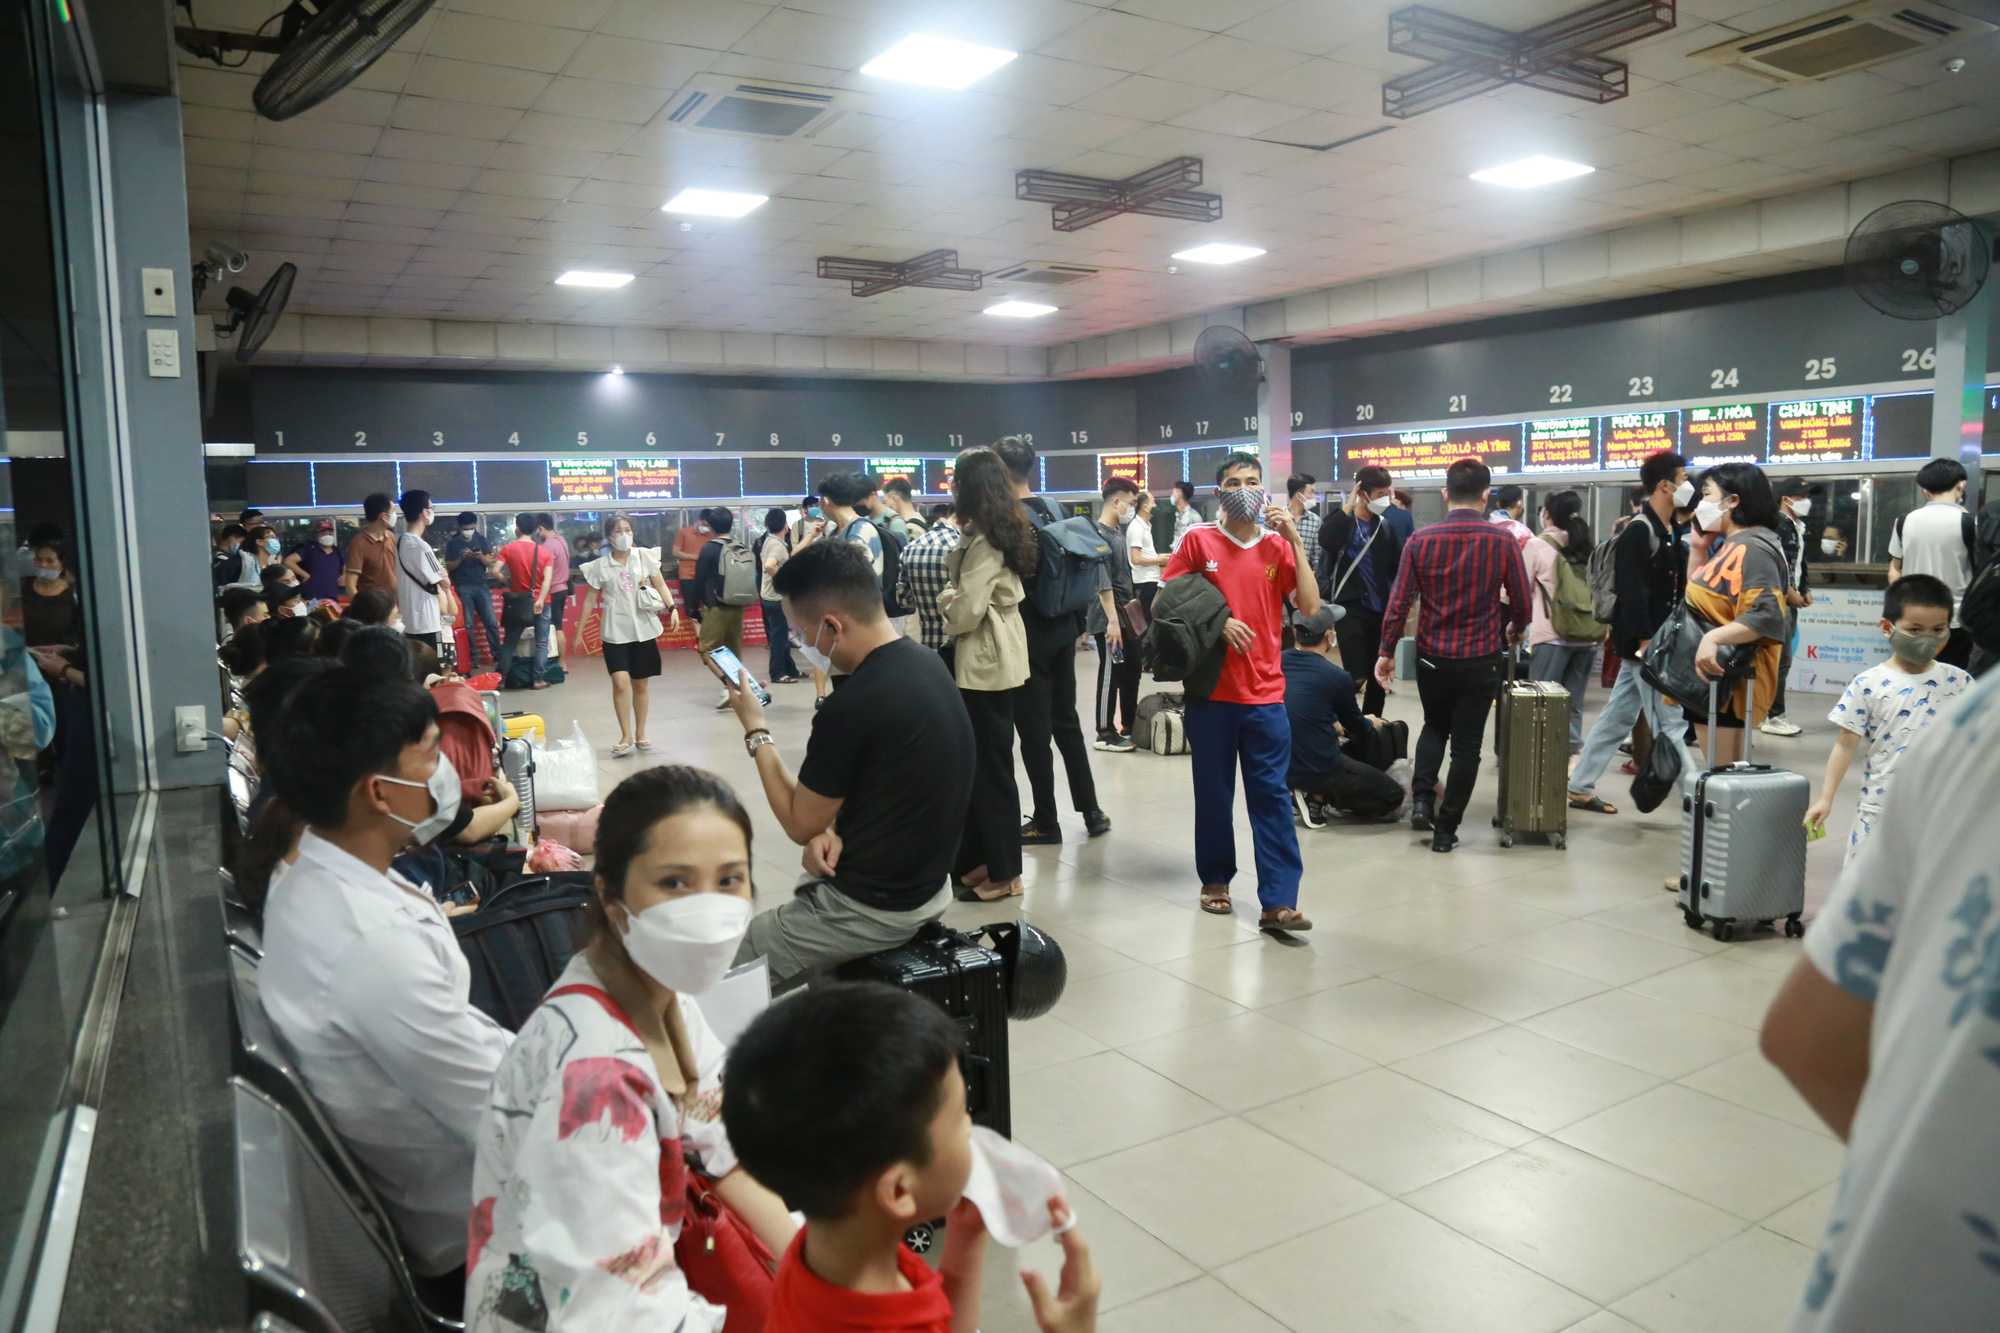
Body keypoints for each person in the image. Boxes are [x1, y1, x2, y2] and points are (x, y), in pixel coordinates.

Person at [466, 766, 796, 1333]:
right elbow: (624, 1314)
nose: (708, 909)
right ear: (610, 895)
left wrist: (825, 1274)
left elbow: (720, 1138)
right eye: (674, 883)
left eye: (730, 880)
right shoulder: (596, 1090)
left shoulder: (649, 985)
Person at [1760, 672, 2000, 1332]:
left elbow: (1804, 1036)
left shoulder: (1975, 713)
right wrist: (1829, 797)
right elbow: (1806, 1035)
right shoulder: (1946, 711)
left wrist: (1923, 1179)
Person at [257, 667, 511, 1280]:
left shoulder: (313, 870)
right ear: (378, 792)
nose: (445, 771)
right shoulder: (370, 945)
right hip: (483, 1234)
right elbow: (516, 1108)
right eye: (430, 754)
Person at [725, 983, 1099, 1333]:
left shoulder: (823, 1257)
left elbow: (938, 1320)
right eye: (960, 1119)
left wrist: (966, 1239)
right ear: (900, 1190)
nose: (972, 1127)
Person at [719, 540, 973, 992]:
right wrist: (831, 830)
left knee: (716, 976)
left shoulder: (853, 705)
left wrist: (756, 730)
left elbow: (799, 823)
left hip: (872, 908)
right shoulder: (927, 664)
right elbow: (890, 782)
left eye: (801, 634)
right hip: (930, 888)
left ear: (832, 626)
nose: (801, 645)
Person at [1164, 451, 1321, 930]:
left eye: (1253, 481)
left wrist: (1293, 537)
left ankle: (1278, 901)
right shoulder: (1198, 539)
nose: (1244, 489)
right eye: (1234, 482)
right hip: (1212, 694)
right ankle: (1215, 879)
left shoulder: (1277, 546)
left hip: (1266, 695)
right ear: (1220, 492)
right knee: (1213, 793)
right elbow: (1167, 603)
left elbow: (1310, 607)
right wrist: (1219, 622)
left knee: (1271, 796)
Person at [1374, 457, 1530, 853]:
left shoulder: (1421, 540)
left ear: (1446, 494)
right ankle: (1446, 830)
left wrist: (1386, 651)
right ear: (1485, 495)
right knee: (1466, 746)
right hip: (1481, 657)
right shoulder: (1503, 540)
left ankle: (1423, 800)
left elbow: (1399, 602)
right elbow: (1522, 599)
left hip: (1432, 657)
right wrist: (1517, 627)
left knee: (1434, 726)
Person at [1804, 574, 1971, 863]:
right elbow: (1845, 744)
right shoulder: (1867, 684)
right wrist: (1826, 797)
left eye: (1938, 629)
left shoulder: (1959, 682)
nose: (1927, 638)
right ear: (1887, 627)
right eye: (1915, 629)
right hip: (1879, 811)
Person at [994, 437, 1111, 845]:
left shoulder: (1007, 519)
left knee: (1033, 732)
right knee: (1067, 722)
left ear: (999, 470)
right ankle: (1092, 811)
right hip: (1063, 626)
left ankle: (1046, 819)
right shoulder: (1054, 506)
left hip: (1029, 634)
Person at [1569, 450, 1690, 815]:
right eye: (1684, 478)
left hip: (1658, 641)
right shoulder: (1640, 530)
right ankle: (1702, 802)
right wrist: (1643, 642)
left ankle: (1579, 785)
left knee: (1618, 716)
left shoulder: (1670, 529)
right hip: (1645, 645)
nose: (1689, 485)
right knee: (1669, 722)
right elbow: (1632, 590)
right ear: (1665, 485)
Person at [936, 447, 1033, 903]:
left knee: (991, 770)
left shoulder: (985, 540)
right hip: (995, 660)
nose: (952, 486)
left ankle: (1006, 872)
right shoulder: (997, 530)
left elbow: (966, 612)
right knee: (982, 766)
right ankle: (986, 859)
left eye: (957, 479)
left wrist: (945, 603)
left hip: (985, 664)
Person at [1683, 462, 1792, 766]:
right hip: (1713, 678)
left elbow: (1766, 615)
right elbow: (1696, 600)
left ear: (1732, 501)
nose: (1701, 503)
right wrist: (1698, 549)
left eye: (1707, 494)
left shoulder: (1754, 546)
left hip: (1730, 682)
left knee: (1725, 778)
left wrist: (1715, 637)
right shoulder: (1730, 544)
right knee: (1721, 775)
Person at [1283, 606, 1403, 827]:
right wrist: (1371, 722)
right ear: (1329, 636)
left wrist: (1333, 721)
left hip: (1278, 764)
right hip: (1319, 767)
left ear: (1295, 632)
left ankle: (1300, 792)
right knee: (1393, 795)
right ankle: (1316, 796)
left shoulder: (1275, 663)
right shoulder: (1337, 676)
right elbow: (1358, 726)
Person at [583, 513, 681, 757]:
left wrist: (673, 608)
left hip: (643, 629)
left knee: (641, 684)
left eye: (628, 530)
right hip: (614, 631)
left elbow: (660, 584)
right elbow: (590, 598)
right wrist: (579, 631)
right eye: (618, 531)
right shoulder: (600, 566)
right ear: (609, 537)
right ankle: (625, 734)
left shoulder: (644, 557)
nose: (624, 535)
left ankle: (640, 733)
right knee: (620, 682)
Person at [1318, 465, 1403, 717]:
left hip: (1380, 611)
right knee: (1355, 675)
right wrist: (1348, 506)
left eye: (1387, 492)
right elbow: (1326, 539)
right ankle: (1344, 720)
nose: (1384, 498)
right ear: (1363, 493)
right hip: (1350, 608)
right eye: (1379, 493)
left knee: (1377, 675)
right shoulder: (1343, 521)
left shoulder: (1385, 527)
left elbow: (1395, 567)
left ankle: (1372, 726)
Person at [1520, 489, 1601, 752]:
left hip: (1551, 636)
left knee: (1540, 699)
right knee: (1573, 700)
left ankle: (1537, 751)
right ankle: (1570, 751)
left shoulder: (1537, 544)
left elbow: (1518, 591)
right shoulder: (1587, 543)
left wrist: (1515, 626)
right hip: (1587, 635)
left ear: (1548, 515)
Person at [1888, 457, 1976, 669]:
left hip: (1911, 619)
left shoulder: (1904, 521)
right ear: (1961, 484)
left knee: (1914, 677)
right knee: (1952, 682)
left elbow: (1894, 570)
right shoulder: (1970, 523)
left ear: (1924, 491)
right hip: (1955, 620)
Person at [1763, 478, 1819, 736]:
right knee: (1778, 660)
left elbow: (1799, 562)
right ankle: (1772, 715)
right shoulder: (1776, 525)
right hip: (1777, 600)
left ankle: (1771, 713)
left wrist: (1804, 588)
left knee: (1782, 660)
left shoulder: (1796, 525)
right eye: (1802, 495)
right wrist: (1788, 593)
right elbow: (1773, 564)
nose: (1807, 500)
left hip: (1790, 599)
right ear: (1786, 499)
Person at [1089, 477, 1140, 753]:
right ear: (1116, 501)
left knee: (1131, 671)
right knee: (1110, 672)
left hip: (1125, 616)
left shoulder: (1117, 532)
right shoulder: (1098, 535)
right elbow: (1102, 582)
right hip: (1109, 618)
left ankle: (1129, 724)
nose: (1132, 507)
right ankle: (1104, 732)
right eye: (1131, 503)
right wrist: (1111, 622)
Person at [690, 508, 746, 709]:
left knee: (706, 649)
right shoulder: (739, 546)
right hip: (737, 605)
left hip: (715, 606)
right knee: (733, 650)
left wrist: (692, 607)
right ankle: (737, 690)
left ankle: (730, 684)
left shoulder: (709, 549)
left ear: (710, 526)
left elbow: (699, 581)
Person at [495, 512, 554, 690]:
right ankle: (538, 680)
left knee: (510, 642)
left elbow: (495, 571)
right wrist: (541, 600)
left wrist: (506, 581)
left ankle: (501, 679)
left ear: (517, 528)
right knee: (542, 642)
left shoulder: (508, 549)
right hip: (542, 602)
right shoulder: (544, 552)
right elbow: (547, 579)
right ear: (536, 530)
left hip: (518, 603)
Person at [394, 490, 454, 653]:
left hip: (411, 618)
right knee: (432, 667)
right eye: (431, 507)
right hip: (427, 620)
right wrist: (443, 574)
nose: (432, 511)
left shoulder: (401, 542)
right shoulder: (421, 546)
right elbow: (445, 582)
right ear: (424, 512)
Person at [896, 508, 962, 653]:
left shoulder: (910, 548)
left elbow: (904, 600)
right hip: (959, 646)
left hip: (927, 643)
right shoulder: (962, 547)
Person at [445, 512, 502, 669]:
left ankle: (497, 654)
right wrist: (461, 558)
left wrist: (479, 557)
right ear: (459, 527)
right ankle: (472, 657)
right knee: (467, 624)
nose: (468, 531)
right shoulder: (453, 543)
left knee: (491, 622)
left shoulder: (481, 539)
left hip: (481, 585)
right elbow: (449, 566)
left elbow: (489, 562)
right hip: (463, 586)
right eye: (465, 529)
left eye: (471, 528)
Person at [756, 508, 801, 683]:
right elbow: (769, 565)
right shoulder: (776, 545)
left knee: (781, 635)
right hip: (777, 598)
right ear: (786, 526)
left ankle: (791, 670)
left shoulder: (769, 541)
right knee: (778, 637)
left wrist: (811, 536)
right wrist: (783, 581)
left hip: (769, 597)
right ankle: (777, 673)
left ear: (767, 525)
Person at [20, 538, 79, 648]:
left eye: (50, 561)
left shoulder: (73, 595)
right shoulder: (22, 588)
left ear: (62, 565)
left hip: (60, 658)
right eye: (38, 559)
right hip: (27, 657)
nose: (43, 565)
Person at [341, 492, 400, 597]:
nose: (395, 514)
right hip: (374, 607)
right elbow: (350, 584)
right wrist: (363, 608)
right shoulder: (358, 543)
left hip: (395, 604)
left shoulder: (390, 536)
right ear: (383, 516)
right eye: (393, 511)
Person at [1127, 489, 1166, 621]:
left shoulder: (1145, 526)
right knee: (1146, 621)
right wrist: (1159, 559)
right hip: (1144, 581)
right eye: (1153, 503)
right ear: (1145, 507)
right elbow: (1136, 558)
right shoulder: (1137, 527)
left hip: (1151, 579)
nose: (1156, 506)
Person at [535, 512, 572, 647]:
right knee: (557, 625)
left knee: (556, 627)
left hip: (553, 590)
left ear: (540, 528)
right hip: (562, 588)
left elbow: (545, 572)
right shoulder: (560, 540)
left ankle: (561, 662)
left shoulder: (547, 546)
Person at [286, 519, 345, 602]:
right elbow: (289, 561)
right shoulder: (309, 549)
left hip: (332, 594)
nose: (327, 536)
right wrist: (305, 575)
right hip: (312, 594)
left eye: (329, 534)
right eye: (323, 534)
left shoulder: (336, 551)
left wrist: (344, 575)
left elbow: (344, 565)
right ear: (317, 535)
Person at [1286, 474, 1322, 579]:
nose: (1314, 497)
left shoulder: (1315, 521)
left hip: (1304, 578)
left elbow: (1317, 556)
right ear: (1299, 495)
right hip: (1280, 579)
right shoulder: (1278, 518)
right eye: (1311, 492)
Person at [673, 512, 710, 613]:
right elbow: (675, 552)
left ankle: (708, 628)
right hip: (687, 576)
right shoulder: (684, 533)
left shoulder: (711, 535)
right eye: (705, 525)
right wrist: (694, 557)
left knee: (710, 607)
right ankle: (699, 629)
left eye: (709, 526)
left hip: (706, 576)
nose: (707, 528)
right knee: (691, 609)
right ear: (698, 521)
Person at [212, 522, 257, 590]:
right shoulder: (220, 559)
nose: (241, 546)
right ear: (232, 539)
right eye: (241, 542)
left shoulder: (231, 557)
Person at [1169, 479, 1201, 551]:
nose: (1172, 496)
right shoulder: (1178, 515)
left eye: (1173, 492)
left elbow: (1198, 542)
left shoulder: (1194, 517)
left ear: (1179, 494)